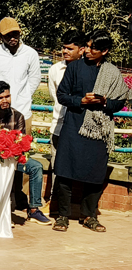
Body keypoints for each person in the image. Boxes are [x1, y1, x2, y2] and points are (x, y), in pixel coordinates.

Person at [53, 31, 129, 233]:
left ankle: (89, 216)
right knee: (65, 171)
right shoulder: (75, 67)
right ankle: (62, 216)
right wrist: (81, 101)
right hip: (74, 124)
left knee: (95, 173)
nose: (86, 50)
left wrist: (105, 102)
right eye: (86, 46)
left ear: (104, 51)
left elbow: (119, 101)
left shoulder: (112, 72)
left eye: (92, 48)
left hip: (99, 130)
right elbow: (62, 95)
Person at [0, 80, 50, 226]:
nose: (5, 100)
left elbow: (21, 143)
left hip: (13, 158)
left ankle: (34, 210)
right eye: (0, 98)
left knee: (36, 167)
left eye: (7, 96)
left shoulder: (18, 116)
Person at [0, 17, 40, 133]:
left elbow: (34, 79)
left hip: (22, 109)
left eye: (15, 34)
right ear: (0, 36)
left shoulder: (30, 54)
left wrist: (24, 96)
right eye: (8, 35)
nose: (12, 38)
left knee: (22, 142)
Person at [47, 30, 87, 203]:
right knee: (57, 164)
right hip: (59, 124)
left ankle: (81, 206)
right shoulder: (55, 70)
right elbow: (55, 96)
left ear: (82, 49)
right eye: (64, 48)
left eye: (70, 48)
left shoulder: (89, 70)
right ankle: (54, 201)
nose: (65, 51)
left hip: (81, 125)